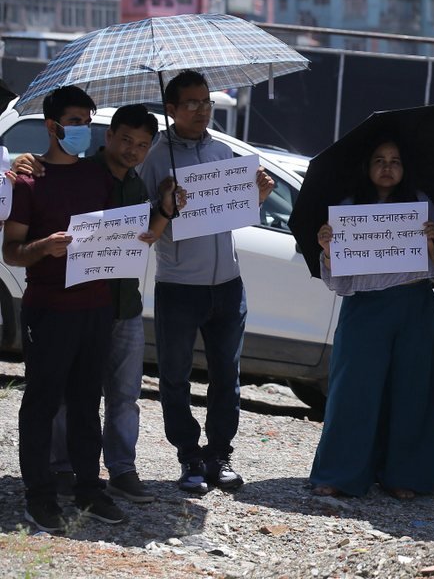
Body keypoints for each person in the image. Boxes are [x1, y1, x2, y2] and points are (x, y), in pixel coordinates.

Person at [32, 105, 177, 505]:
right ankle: (63, 468)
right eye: (126, 140)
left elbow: (146, 234)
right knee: (70, 394)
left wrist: (164, 207)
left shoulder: (137, 183)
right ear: (109, 135)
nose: (133, 150)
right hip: (79, 305)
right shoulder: (80, 173)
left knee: (125, 395)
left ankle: (122, 470)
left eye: (142, 145)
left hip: (125, 306)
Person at [138, 70, 274, 494]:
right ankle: (189, 456)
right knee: (175, 377)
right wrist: (163, 203)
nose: (201, 110)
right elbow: (145, 226)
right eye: (191, 103)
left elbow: (233, 210)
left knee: (226, 376)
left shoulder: (221, 150)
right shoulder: (156, 157)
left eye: (206, 102)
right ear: (171, 110)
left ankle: (219, 454)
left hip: (228, 285)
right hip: (179, 285)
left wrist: (259, 195)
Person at [5, 86, 123, 531]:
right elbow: (11, 251)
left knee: (86, 401)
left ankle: (89, 489)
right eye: (75, 121)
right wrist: (44, 247)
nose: (82, 128)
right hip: (49, 309)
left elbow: (116, 233)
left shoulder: (97, 177)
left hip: (96, 307)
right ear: (53, 127)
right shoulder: (29, 180)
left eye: (87, 120)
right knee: (41, 402)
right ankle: (39, 495)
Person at [311, 137, 434, 499]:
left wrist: (431, 245)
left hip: (413, 306)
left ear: (405, 168)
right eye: (379, 160)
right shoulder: (348, 207)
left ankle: (406, 477)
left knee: (413, 391)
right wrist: (328, 251)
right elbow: (336, 279)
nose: (387, 167)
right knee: (352, 392)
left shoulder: (421, 205)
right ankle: (339, 474)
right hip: (364, 309)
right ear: (367, 166)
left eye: (395, 160)